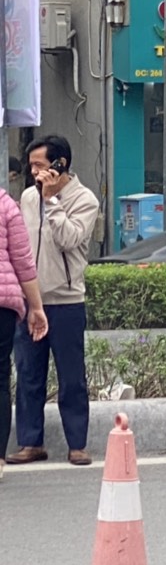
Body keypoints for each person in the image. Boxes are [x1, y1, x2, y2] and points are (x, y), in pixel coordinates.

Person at [6, 135, 100, 466]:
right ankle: (31, 442)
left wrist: (53, 202)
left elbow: (69, 238)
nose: (34, 173)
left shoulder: (84, 199)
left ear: (61, 165)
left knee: (71, 376)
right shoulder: (29, 198)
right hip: (32, 302)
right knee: (28, 374)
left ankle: (77, 443)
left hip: (66, 301)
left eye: (40, 166)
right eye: (31, 166)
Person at [0, 185, 49, 478]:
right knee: (0, 379)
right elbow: (23, 262)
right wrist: (36, 307)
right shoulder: (6, 204)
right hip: (3, 305)